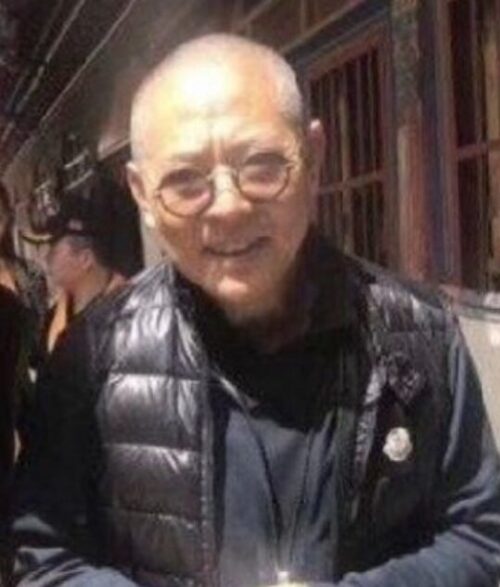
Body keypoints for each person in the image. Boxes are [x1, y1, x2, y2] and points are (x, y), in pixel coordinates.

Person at [12, 34, 500, 587]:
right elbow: (44, 558)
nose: (229, 206)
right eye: (185, 182)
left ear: (314, 158)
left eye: (263, 166)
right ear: (143, 194)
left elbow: (481, 537)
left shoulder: (422, 336)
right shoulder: (91, 360)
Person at [41, 213, 126, 355]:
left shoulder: (127, 310)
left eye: (53, 251)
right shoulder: (53, 317)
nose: (46, 258)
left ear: (85, 259)